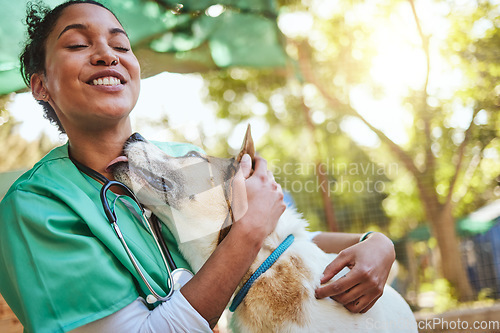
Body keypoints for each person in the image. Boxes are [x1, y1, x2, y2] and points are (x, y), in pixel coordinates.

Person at [0, 1, 396, 332]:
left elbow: (273, 247)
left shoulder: (181, 160)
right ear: (40, 85)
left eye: (121, 46)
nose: (107, 55)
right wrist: (249, 229)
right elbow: (249, 234)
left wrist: (372, 243)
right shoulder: (36, 207)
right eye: (77, 44)